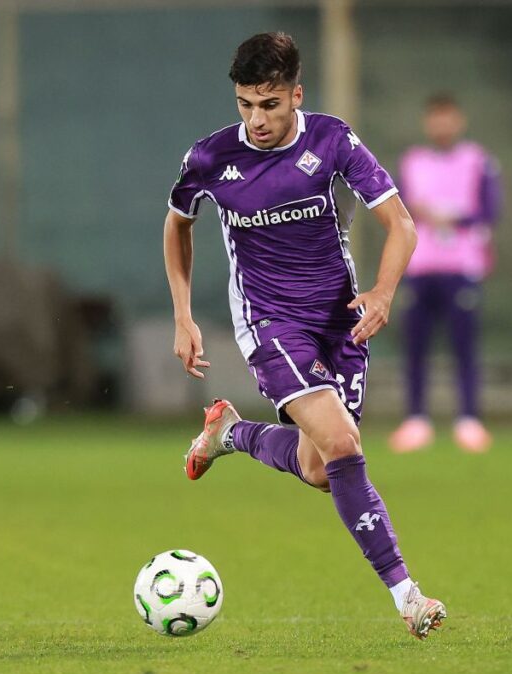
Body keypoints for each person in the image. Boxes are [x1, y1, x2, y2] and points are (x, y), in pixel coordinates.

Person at [162, 32, 446, 639]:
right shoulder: (211, 158)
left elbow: (400, 225)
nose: (256, 119)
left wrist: (383, 292)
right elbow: (177, 225)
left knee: (321, 468)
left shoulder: (332, 140)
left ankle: (230, 434)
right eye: (245, 104)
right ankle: (407, 596)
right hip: (270, 322)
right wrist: (183, 314)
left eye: (269, 104)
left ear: (296, 95)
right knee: (344, 443)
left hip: (341, 320)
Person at [389, 94, 501, 453]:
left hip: (461, 267)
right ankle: (416, 419)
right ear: (427, 122)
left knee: (464, 347)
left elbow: (489, 211)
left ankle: (468, 419)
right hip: (420, 266)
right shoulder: (412, 162)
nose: (442, 125)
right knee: (415, 347)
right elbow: (397, 210)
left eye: (448, 118)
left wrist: (453, 218)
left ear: (459, 121)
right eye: (436, 118)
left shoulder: (478, 160)